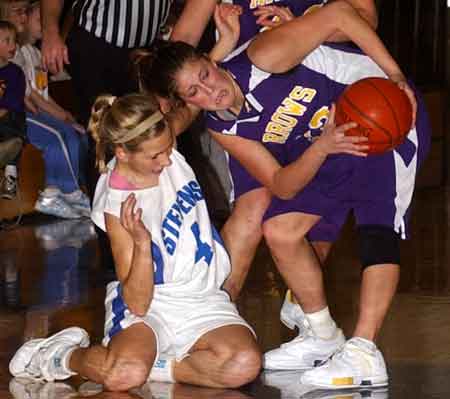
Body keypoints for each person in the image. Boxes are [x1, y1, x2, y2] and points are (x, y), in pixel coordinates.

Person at [138, 0, 430, 389]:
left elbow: (343, 12)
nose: (212, 89)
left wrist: (395, 77)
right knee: (280, 228)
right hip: (334, 141)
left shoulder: (264, 55)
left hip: (384, 113)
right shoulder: (222, 127)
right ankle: (322, 334)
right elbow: (280, 184)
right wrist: (322, 148)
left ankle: (364, 351)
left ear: (215, 62)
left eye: (207, 74)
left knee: (377, 230)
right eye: (196, 91)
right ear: (188, 103)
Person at [9, 93, 261, 391]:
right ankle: (61, 355)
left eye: (169, 148)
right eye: (155, 156)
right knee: (122, 376)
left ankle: (159, 365)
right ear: (123, 153)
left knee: (243, 365)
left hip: (201, 299)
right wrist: (143, 245)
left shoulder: (162, 145)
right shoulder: (117, 206)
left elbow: (190, 102)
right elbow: (138, 303)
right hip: (152, 303)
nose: (167, 160)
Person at [7, 0, 90, 218]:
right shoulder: (13, 53)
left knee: (78, 135)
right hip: (22, 114)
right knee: (59, 136)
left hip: (36, 111)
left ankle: (75, 191)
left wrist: (66, 116)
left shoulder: (32, 53)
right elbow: (29, 95)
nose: (25, 20)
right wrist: (62, 116)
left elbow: (43, 93)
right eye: (21, 13)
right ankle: (58, 193)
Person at [0, 20, 26, 200]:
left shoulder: (15, 72)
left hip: (7, 121)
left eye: (14, 40)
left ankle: (10, 175)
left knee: (13, 119)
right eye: (6, 40)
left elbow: (14, 102)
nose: (13, 45)